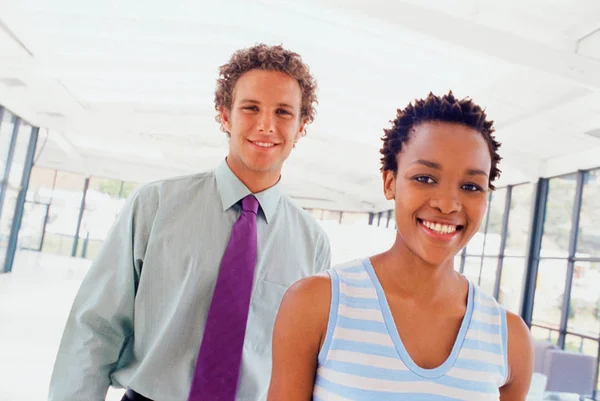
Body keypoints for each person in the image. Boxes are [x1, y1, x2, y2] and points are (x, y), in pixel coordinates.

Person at [49, 43, 331, 401]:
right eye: (251, 108)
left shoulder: (313, 244)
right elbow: (95, 329)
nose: (266, 125)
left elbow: (303, 365)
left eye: (283, 112)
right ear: (225, 116)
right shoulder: (155, 206)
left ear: (302, 126)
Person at [267, 91, 534, 401]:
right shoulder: (316, 304)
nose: (448, 204)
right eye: (425, 178)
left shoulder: (510, 339)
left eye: (471, 186)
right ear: (389, 183)